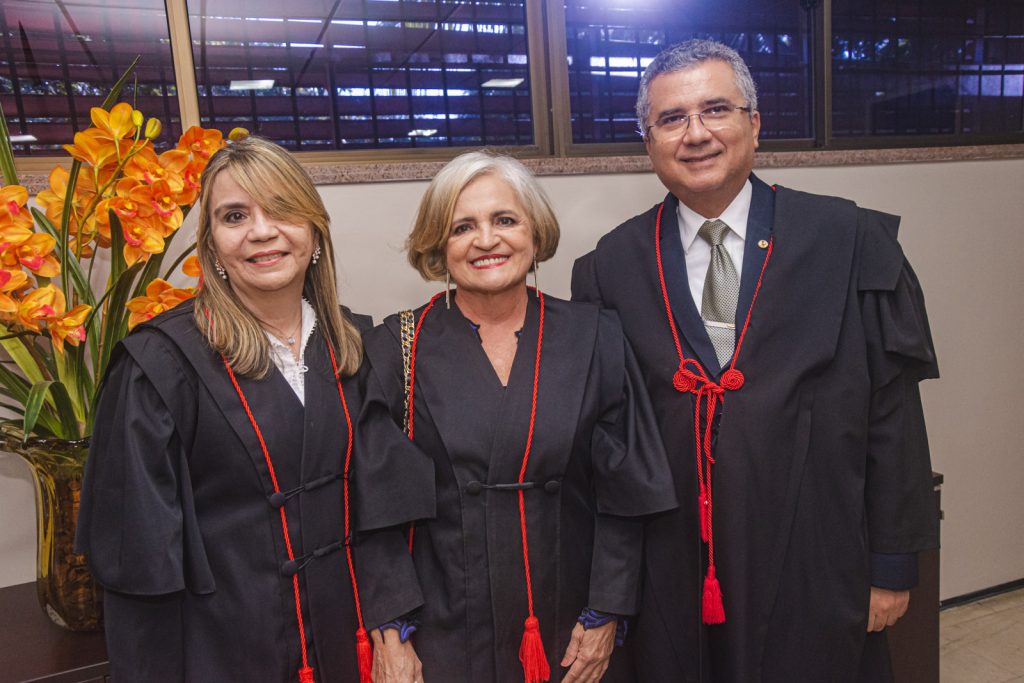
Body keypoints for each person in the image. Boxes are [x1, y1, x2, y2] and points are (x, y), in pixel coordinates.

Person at [571, 40, 939, 682]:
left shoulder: (848, 241)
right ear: (648, 141)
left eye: (716, 109)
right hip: (675, 567)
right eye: (671, 119)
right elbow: (611, 445)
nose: (696, 134)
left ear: (755, 122)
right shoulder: (611, 266)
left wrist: (892, 564)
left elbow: (893, 414)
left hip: (819, 557)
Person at [76, 136, 430, 682]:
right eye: (235, 215)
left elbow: (380, 512)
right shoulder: (158, 367)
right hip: (223, 654)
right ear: (213, 245)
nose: (261, 231)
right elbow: (139, 569)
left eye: (282, 209)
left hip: (348, 644)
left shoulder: (355, 344)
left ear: (313, 231)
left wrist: (393, 631)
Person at [358, 151, 677, 683]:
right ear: (439, 243)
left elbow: (626, 494)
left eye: (504, 220)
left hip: (572, 622)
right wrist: (393, 633)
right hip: (443, 630)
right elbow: (376, 510)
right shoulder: (395, 348)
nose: (486, 241)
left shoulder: (595, 335)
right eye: (463, 227)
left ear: (535, 233)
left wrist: (607, 613)